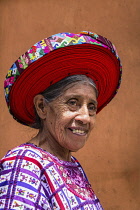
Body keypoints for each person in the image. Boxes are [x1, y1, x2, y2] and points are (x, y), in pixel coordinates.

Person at [0, 31, 122, 209]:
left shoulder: (72, 166)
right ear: (42, 107)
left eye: (91, 107)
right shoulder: (24, 164)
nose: (85, 117)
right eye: (73, 103)